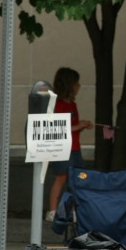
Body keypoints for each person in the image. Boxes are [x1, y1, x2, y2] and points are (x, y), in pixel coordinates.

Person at [45, 67, 93, 221]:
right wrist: (79, 126)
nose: (79, 86)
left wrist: (82, 125)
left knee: (76, 179)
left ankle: (71, 210)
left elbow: (73, 125)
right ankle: (52, 211)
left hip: (75, 148)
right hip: (62, 148)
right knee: (61, 177)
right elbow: (59, 127)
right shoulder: (57, 105)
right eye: (76, 83)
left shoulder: (72, 105)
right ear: (69, 84)